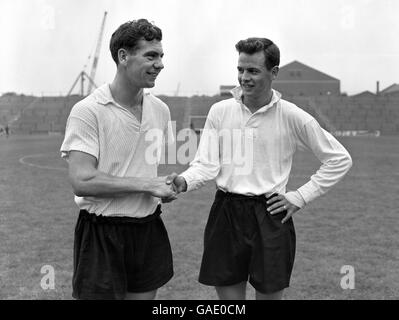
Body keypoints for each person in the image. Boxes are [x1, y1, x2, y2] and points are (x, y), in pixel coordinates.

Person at [170, 37, 353, 300]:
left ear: (274, 72)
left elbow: (339, 159)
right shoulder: (220, 111)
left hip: (270, 213)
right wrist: (183, 181)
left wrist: (299, 197)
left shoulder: (292, 115)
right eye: (240, 70)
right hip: (226, 212)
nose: (244, 77)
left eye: (253, 70)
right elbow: (206, 165)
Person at [60, 19, 178, 300]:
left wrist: (165, 186)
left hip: (147, 228)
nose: (160, 64)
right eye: (151, 55)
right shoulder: (88, 111)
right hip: (102, 232)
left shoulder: (160, 110)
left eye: (161, 56)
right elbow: (82, 181)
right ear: (123, 56)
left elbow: (145, 167)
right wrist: (148, 184)